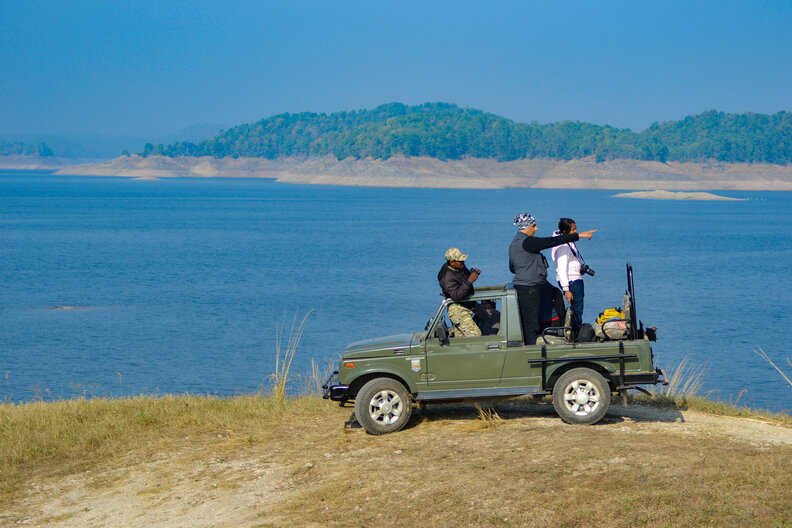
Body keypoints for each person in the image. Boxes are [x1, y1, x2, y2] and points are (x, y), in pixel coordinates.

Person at [508, 213, 595, 345]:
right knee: (531, 325)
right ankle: (532, 351)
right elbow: (551, 241)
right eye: (533, 226)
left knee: (555, 295)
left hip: (528, 286)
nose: (536, 228)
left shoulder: (515, 243)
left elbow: (512, 268)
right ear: (526, 227)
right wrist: (579, 235)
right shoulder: (527, 242)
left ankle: (559, 327)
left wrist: (530, 270)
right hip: (530, 288)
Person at [552, 218, 586, 334]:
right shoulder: (563, 246)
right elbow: (561, 268)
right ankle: (576, 334)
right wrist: (566, 289)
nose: (575, 232)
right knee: (577, 310)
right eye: (573, 230)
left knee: (578, 308)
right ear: (565, 232)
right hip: (572, 280)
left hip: (575, 279)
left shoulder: (567, 242)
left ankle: (576, 332)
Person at [437, 247, 482, 337]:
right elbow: (456, 295)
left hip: (467, 305)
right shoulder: (447, 277)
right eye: (460, 261)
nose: (463, 262)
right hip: (458, 309)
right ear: (452, 262)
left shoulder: (459, 267)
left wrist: (473, 274)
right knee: (475, 335)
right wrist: (470, 281)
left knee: (461, 338)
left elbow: (463, 279)